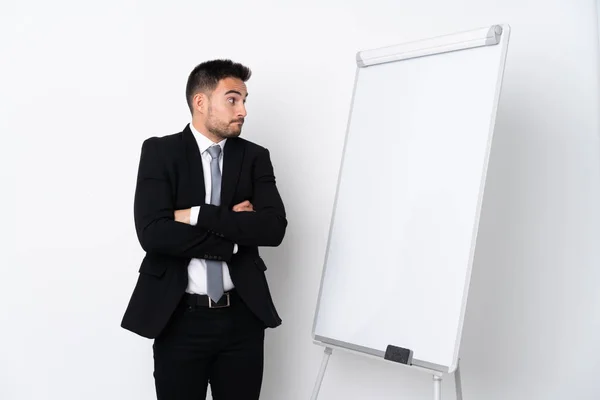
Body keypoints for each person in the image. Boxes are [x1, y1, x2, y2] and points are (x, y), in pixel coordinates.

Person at [121, 59, 287, 400]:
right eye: (232, 99)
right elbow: (153, 233)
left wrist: (198, 214)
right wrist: (234, 238)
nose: (242, 110)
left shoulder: (255, 157)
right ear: (201, 102)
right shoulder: (160, 152)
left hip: (242, 318)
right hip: (179, 317)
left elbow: (273, 229)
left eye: (244, 100)